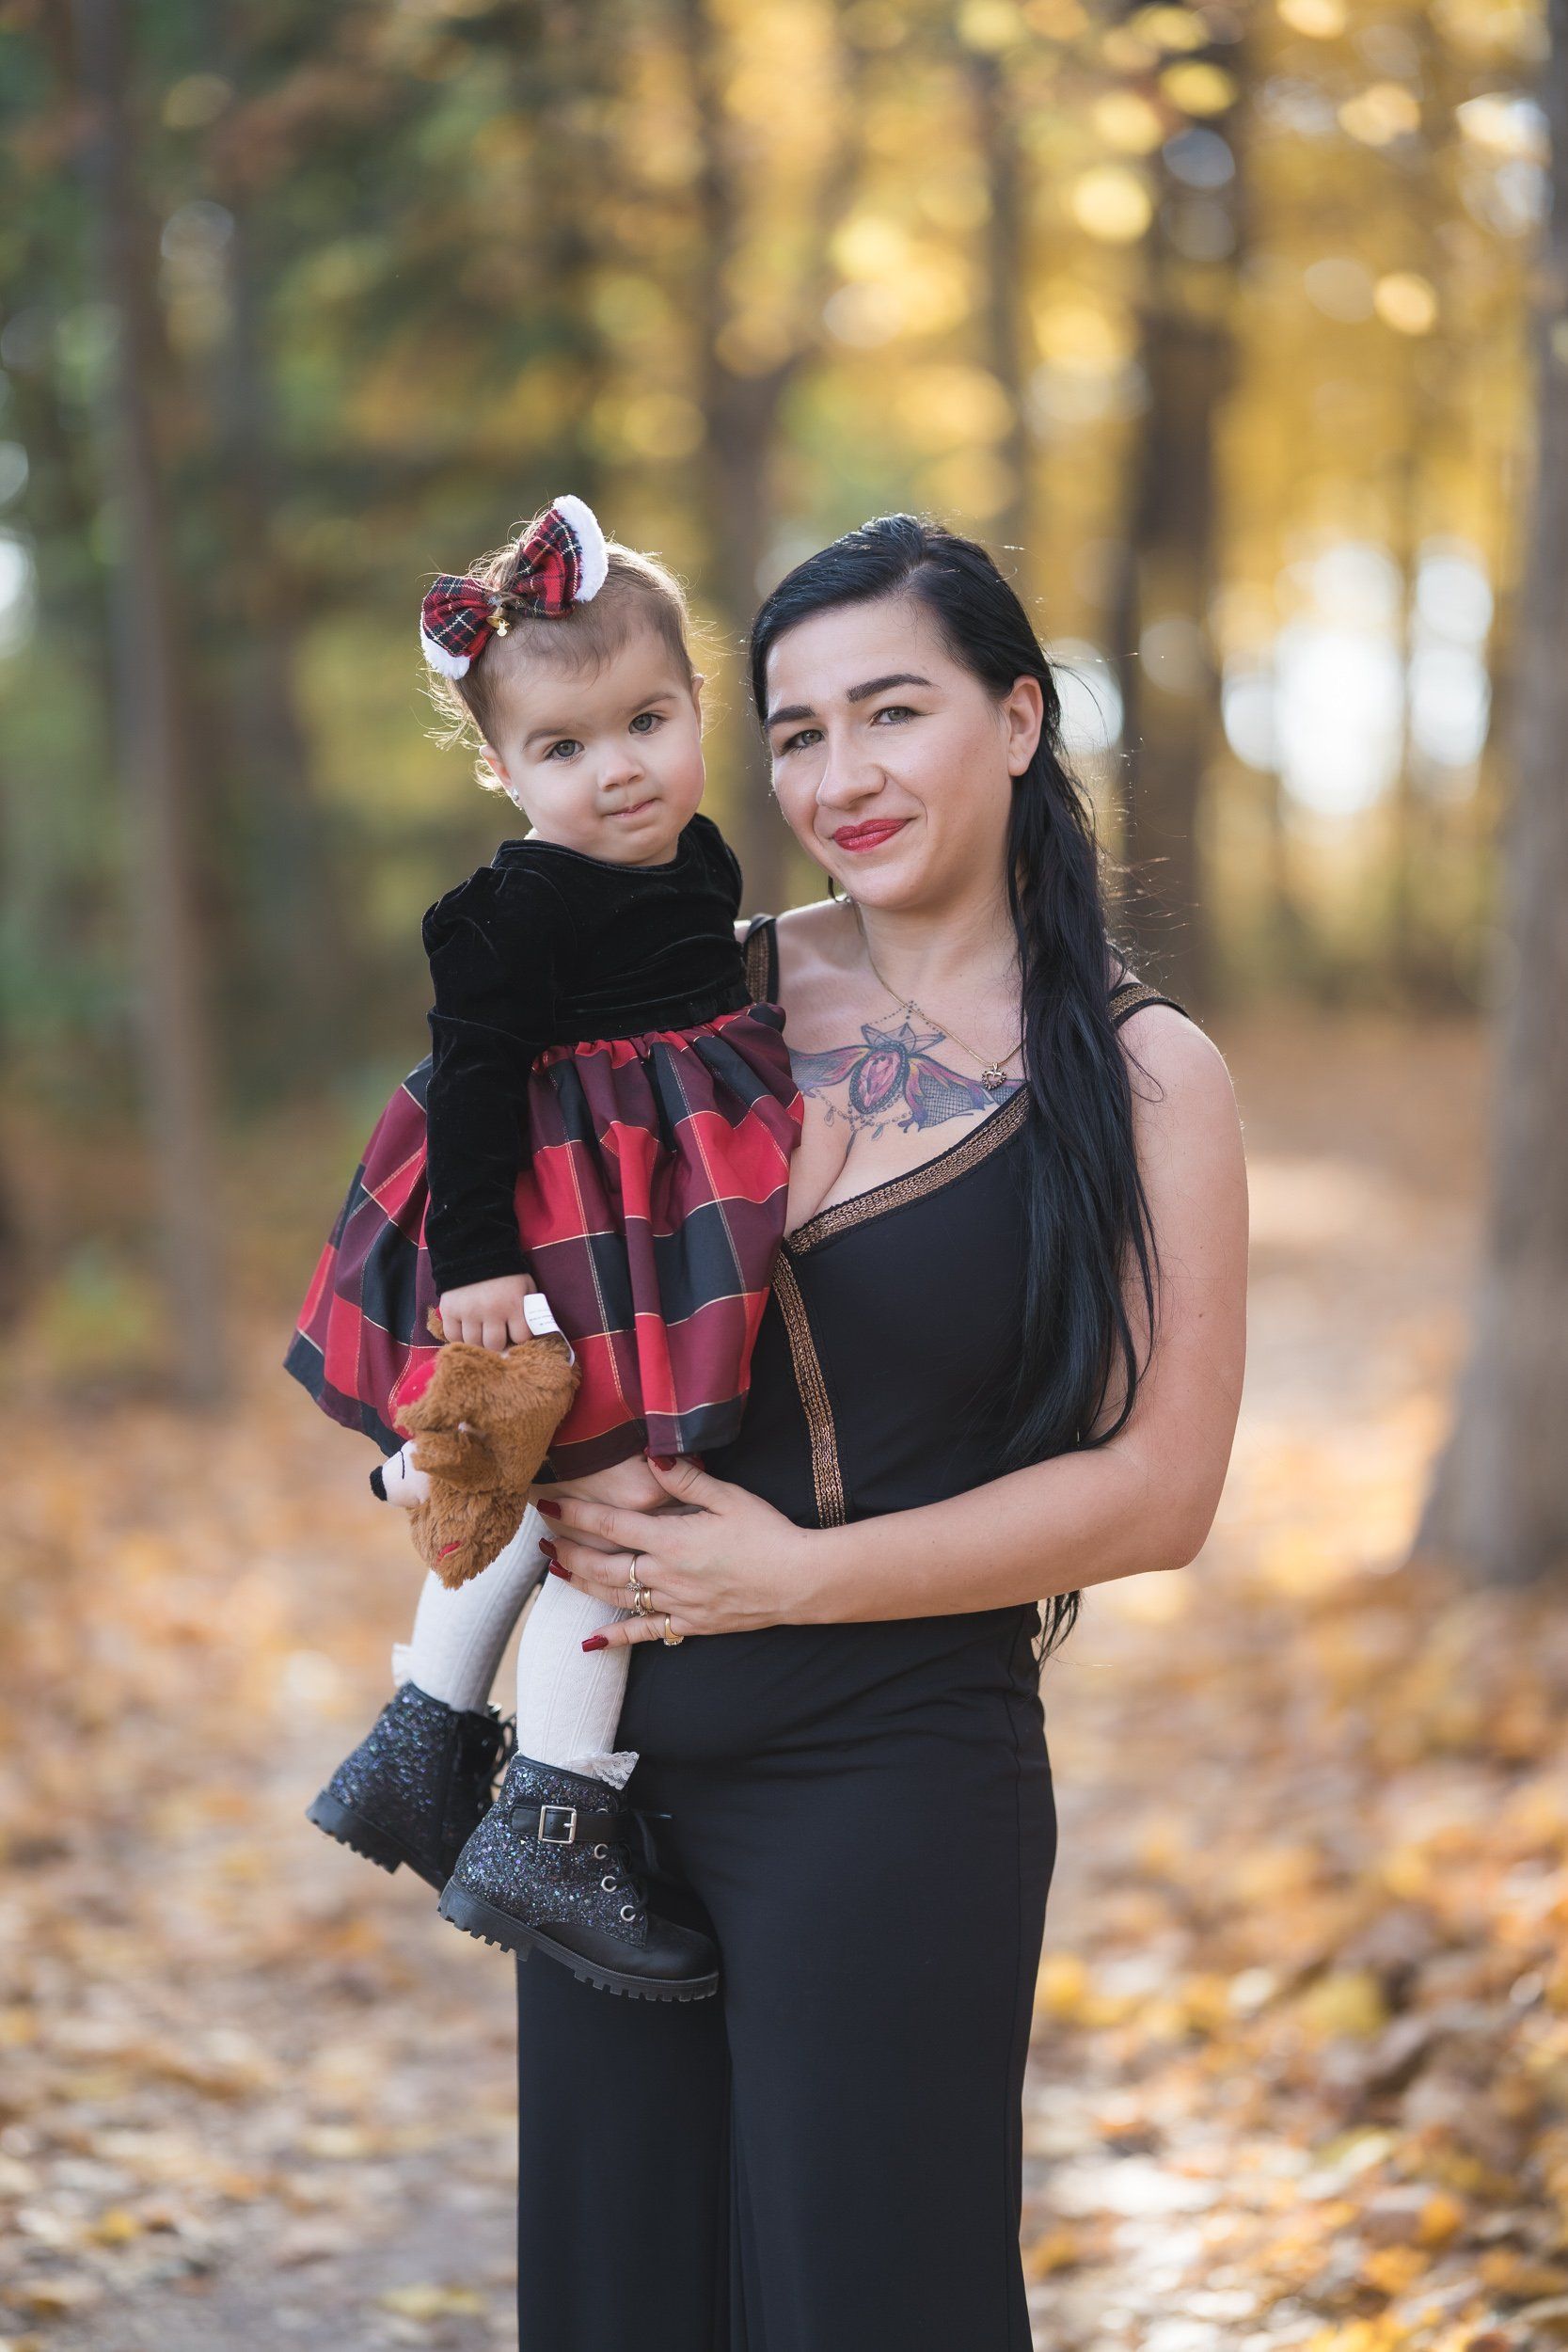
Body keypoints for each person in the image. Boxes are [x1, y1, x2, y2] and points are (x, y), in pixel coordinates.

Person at [509, 514, 1249, 2350]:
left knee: (870, 2305)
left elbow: (1160, 1491)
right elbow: (488, 1258)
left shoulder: (1151, 1075)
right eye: (796, 729)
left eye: (891, 711)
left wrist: (799, 1574)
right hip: (597, 1786)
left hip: (897, 1770)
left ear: (1016, 717)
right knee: (617, 2303)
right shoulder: (685, 985)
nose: (840, 775)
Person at [285, 495, 803, 2001]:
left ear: (699, 709)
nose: (616, 770)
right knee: (587, 1480)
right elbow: (468, 1085)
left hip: (660, 1220)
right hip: (556, 1227)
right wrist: (475, 1268)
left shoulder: (699, 864)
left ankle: (431, 1746)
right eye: (563, 750)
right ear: (504, 771)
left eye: (646, 720)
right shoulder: (512, 912)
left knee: (590, 1483)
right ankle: (539, 1804)